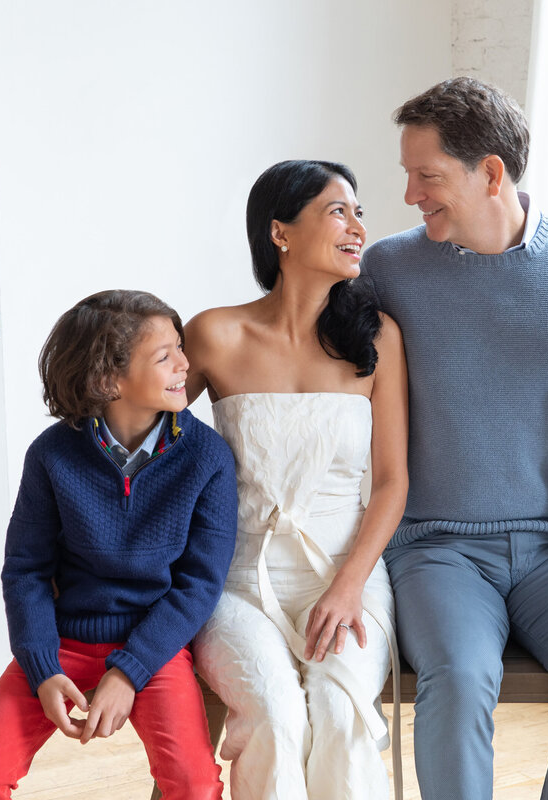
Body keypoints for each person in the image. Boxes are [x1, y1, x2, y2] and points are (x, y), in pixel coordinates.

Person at [359, 76, 548, 800]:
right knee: (459, 678)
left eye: (426, 176)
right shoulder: (390, 268)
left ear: (490, 172)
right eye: (407, 175)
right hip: (438, 546)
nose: (409, 194)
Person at [0, 290, 238, 800]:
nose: (185, 364)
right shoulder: (52, 455)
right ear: (108, 379)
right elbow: (26, 571)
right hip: (60, 643)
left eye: (180, 347)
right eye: (165, 354)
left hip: (156, 646)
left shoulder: (207, 457)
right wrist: (41, 668)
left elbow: (200, 584)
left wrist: (130, 671)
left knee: (195, 786)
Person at [185, 160, 408, 800]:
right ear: (279, 232)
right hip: (236, 579)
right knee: (276, 718)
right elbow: (147, 448)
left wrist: (348, 587)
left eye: (359, 212)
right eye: (339, 211)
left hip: (348, 574)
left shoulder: (377, 339)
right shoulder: (213, 334)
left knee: (340, 719)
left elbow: (392, 482)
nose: (359, 227)